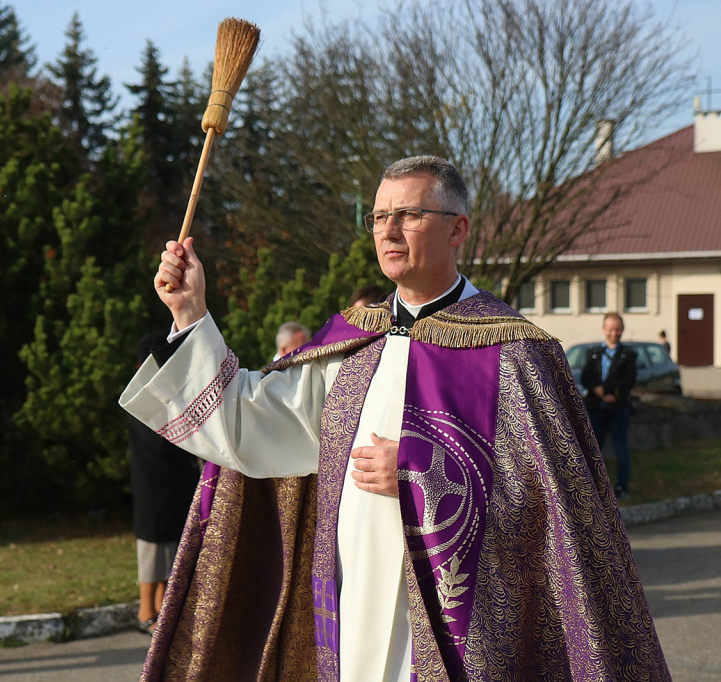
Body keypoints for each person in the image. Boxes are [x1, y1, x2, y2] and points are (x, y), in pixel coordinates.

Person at [120, 156, 668, 679]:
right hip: (351, 601)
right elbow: (251, 425)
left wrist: (421, 471)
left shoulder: (516, 352)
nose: (388, 230)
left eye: (407, 215)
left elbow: (560, 506)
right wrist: (192, 314)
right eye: (379, 217)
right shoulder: (351, 344)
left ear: (458, 230)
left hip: (462, 626)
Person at [124, 332, 202, 635]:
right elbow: (163, 439)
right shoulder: (137, 395)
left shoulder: (167, 393)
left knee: (172, 549)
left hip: (176, 484)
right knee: (152, 550)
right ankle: (145, 611)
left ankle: (161, 609)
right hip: (151, 484)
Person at [581, 313, 638, 500]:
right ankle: (594, 488)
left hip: (617, 408)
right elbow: (586, 376)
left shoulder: (628, 355)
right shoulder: (593, 353)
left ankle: (622, 487)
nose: (615, 333)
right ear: (604, 329)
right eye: (611, 329)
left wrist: (608, 391)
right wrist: (598, 390)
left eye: (618, 329)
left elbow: (627, 379)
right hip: (596, 408)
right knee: (594, 449)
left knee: (621, 448)